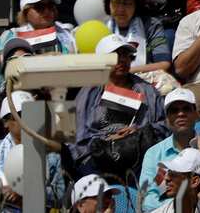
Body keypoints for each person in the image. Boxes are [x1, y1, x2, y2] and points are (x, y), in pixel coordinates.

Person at [70, 35, 167, 182]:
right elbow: (77, 138)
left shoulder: (148, 91)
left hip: (140, 158)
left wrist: (139, 131)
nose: (122, 60)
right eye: (115, 55)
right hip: (99, 161)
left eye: (125, 55)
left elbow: (164, 125)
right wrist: (108, 139)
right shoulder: (89, 92)